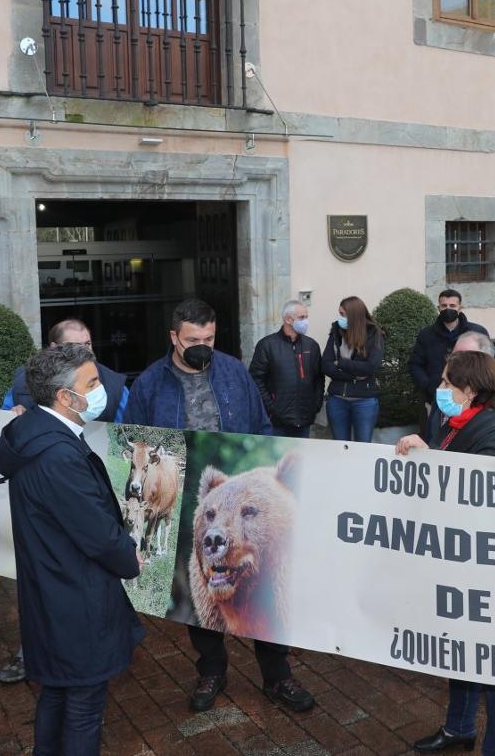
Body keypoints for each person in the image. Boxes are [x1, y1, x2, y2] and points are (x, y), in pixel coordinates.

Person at [123, 299, 314, 714]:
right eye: (193, 339)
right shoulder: (149, 384)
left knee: (266, 585)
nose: (202, 346)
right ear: (174, 337)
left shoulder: (232, 371)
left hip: (241, 497)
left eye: (209, 338)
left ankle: (277, 676)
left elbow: (262, 428)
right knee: (205, 597)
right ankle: (211, 671)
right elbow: (138, 444)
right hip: (179, 495)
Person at [0, 344, 140, 755]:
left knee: (58, 692)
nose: (101, 390)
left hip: (52, 585)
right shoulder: (57, 454)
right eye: (92, 383)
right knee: (82, 705)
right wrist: (130, 558)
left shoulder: (36, 434)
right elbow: (93, 530)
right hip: (74, 594)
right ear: (64, 397)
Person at [396, 351, 495, 756]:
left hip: (490, 564)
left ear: (469, 391)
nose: (442, 389)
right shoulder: (456, 421)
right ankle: (459, 728)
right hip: (459, 558)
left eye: (448, 383)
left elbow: (474, 488)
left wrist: (431, 457)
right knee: (460, 649)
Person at [3, 318, 129, 422]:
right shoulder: (24, 382)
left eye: (87, 344)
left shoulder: (115, 386)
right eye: (75, 346)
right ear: (54, 348)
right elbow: (4, 421)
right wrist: (14, 416)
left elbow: (126, 433)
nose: (85, 351)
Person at [410, 289, 489, 435]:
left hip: (469, 401)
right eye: (444, 306)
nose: (448, 309)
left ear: (460, 307)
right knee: (434, 438)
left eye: (452, 306)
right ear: (438, 308)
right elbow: (415, 365)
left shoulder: (477, 332)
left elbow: (487, 366)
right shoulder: (426, 335)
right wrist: (428, 386)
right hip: (436, 399)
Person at [248, 299, 324, 438]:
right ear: (288, 319)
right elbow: (256, 379)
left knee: (300, 458)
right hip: (277, 422)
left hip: (305, 419)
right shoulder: (267, 345)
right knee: (278, 459)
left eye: (306, 317)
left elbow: (319, 378)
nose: (306, 321)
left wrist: (316, 405)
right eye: (302, 317)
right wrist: (271, 408)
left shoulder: (312, 345)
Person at [322, 296, 385, 443]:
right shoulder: (336, 331)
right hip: (337, 399)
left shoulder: (375, 333)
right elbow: (326, 365)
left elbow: (370, 367)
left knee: (362, 447)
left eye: (343, 315)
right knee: (340, 447)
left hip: (365, 400)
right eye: (340, 314)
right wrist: (353, 377)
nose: (340, 318)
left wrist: (340, 363)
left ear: (354, 316)